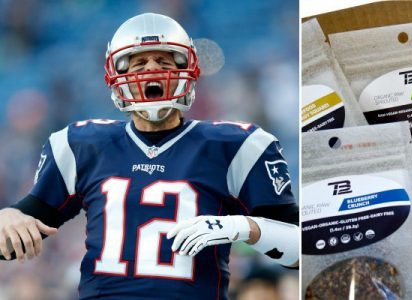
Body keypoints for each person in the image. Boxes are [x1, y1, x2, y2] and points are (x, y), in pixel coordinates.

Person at [0, 13, 299, 299]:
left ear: (188, 69)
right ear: (117, 75)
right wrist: (7, 216)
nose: (151, 69)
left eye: (164, 59)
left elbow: (304, 249)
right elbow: (15, 237)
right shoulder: (81, 144)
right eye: (138, 62)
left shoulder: (238, 146)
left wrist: (241, 227)